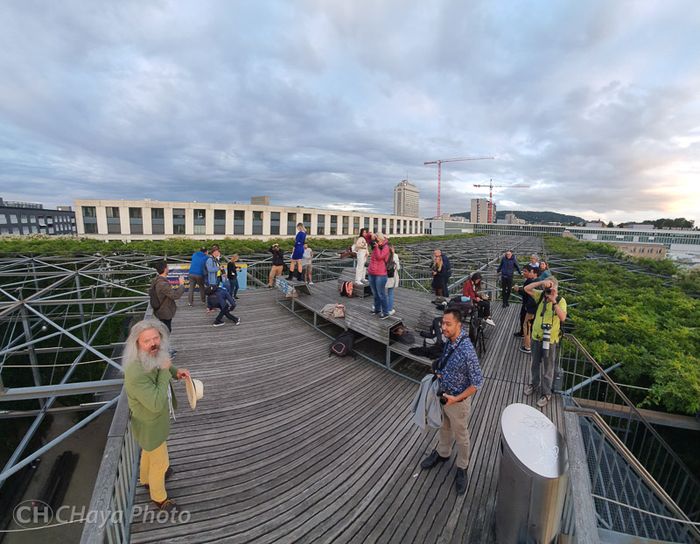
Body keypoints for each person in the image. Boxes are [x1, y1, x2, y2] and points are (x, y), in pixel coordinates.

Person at [123, 319, 190, 511]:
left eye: (156, 338)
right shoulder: (135, 372)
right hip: (150, 423)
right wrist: (165, 373)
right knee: (160, 463)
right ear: (137, 344)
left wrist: (176, 372)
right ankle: (159, 498)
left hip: (151, 423)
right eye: (147, 341)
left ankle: (145, 480)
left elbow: (162, 364)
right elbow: (155, 403)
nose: (153, 343)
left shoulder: (149, 354)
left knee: (148, 451)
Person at [420, 308, 483, 495]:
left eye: (448, 324)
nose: (443, 327)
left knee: (461, 435)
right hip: (444, 395)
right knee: (444, 427)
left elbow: (477, 383)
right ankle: (443, 453)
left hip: (458, 401)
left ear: (459, 325)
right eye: (442, 323)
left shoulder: (467, 351)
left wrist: (456, 398)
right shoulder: (451, 341)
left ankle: (462, 467)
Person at [523, 277, 567, 407]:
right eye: (546, 288)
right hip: (536, 337)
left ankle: (546, 393)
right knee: (534, 364)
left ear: (556, 288)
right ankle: (534, 384)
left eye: (550, 288)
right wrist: (542, 283)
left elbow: (563, 317)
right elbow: (526, 289)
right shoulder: (541, 295)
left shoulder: (561, 301)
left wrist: (554, 301)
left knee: (548, 368)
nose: (548, 291)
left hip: (551, 340)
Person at [150, 260, 185, 333]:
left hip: (160, 310)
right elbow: (175, 295)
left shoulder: (156, 280)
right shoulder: (162, 284)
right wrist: (181, 284)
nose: (168, 269)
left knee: (165, 329)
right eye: (168, 267)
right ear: (165, 269)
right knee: (166, 331)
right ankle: (165, 343)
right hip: (164, 312)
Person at [514, 266, 538, 353]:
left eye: (525, 271)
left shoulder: (533, 282)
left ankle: (528, 347)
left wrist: (527, 307)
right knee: (528, 325)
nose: (524, 273)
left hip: (530, 309)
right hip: (531, 308)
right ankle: (527, 343)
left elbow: (530, 296)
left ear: (533, 273)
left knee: (527, 326)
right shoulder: (536, 281)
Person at [367, 232, 391, 319]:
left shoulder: (386, 247)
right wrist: (371, 235)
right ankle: (377, 309)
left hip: (381, 274)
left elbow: (379, 257)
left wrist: (376, 247)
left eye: (377, 239)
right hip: (372, 272)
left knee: (381, 294)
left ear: (381, 239)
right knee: (375, 293)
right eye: (375, 239)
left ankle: (385, 312)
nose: (375, 241)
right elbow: (367, 238)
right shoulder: (375, 245)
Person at [385, 244, 400, 317]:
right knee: (390, 293)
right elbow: (398, 268)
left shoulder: (384, 255)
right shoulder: (395, 256)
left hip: (383, 276)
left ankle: (382, 308)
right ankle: (389, 310)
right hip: (392, 277)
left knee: (382, 293)